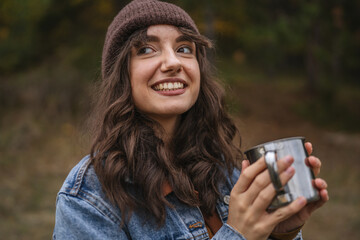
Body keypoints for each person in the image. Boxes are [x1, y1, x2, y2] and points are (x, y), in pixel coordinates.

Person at [53, 0, 329, 239]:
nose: (174, 62)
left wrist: (280, 233)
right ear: (120, 76)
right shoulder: (89, 198)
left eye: (185, 48)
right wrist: (239, 235)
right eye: (147, 49)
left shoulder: (224, 170)